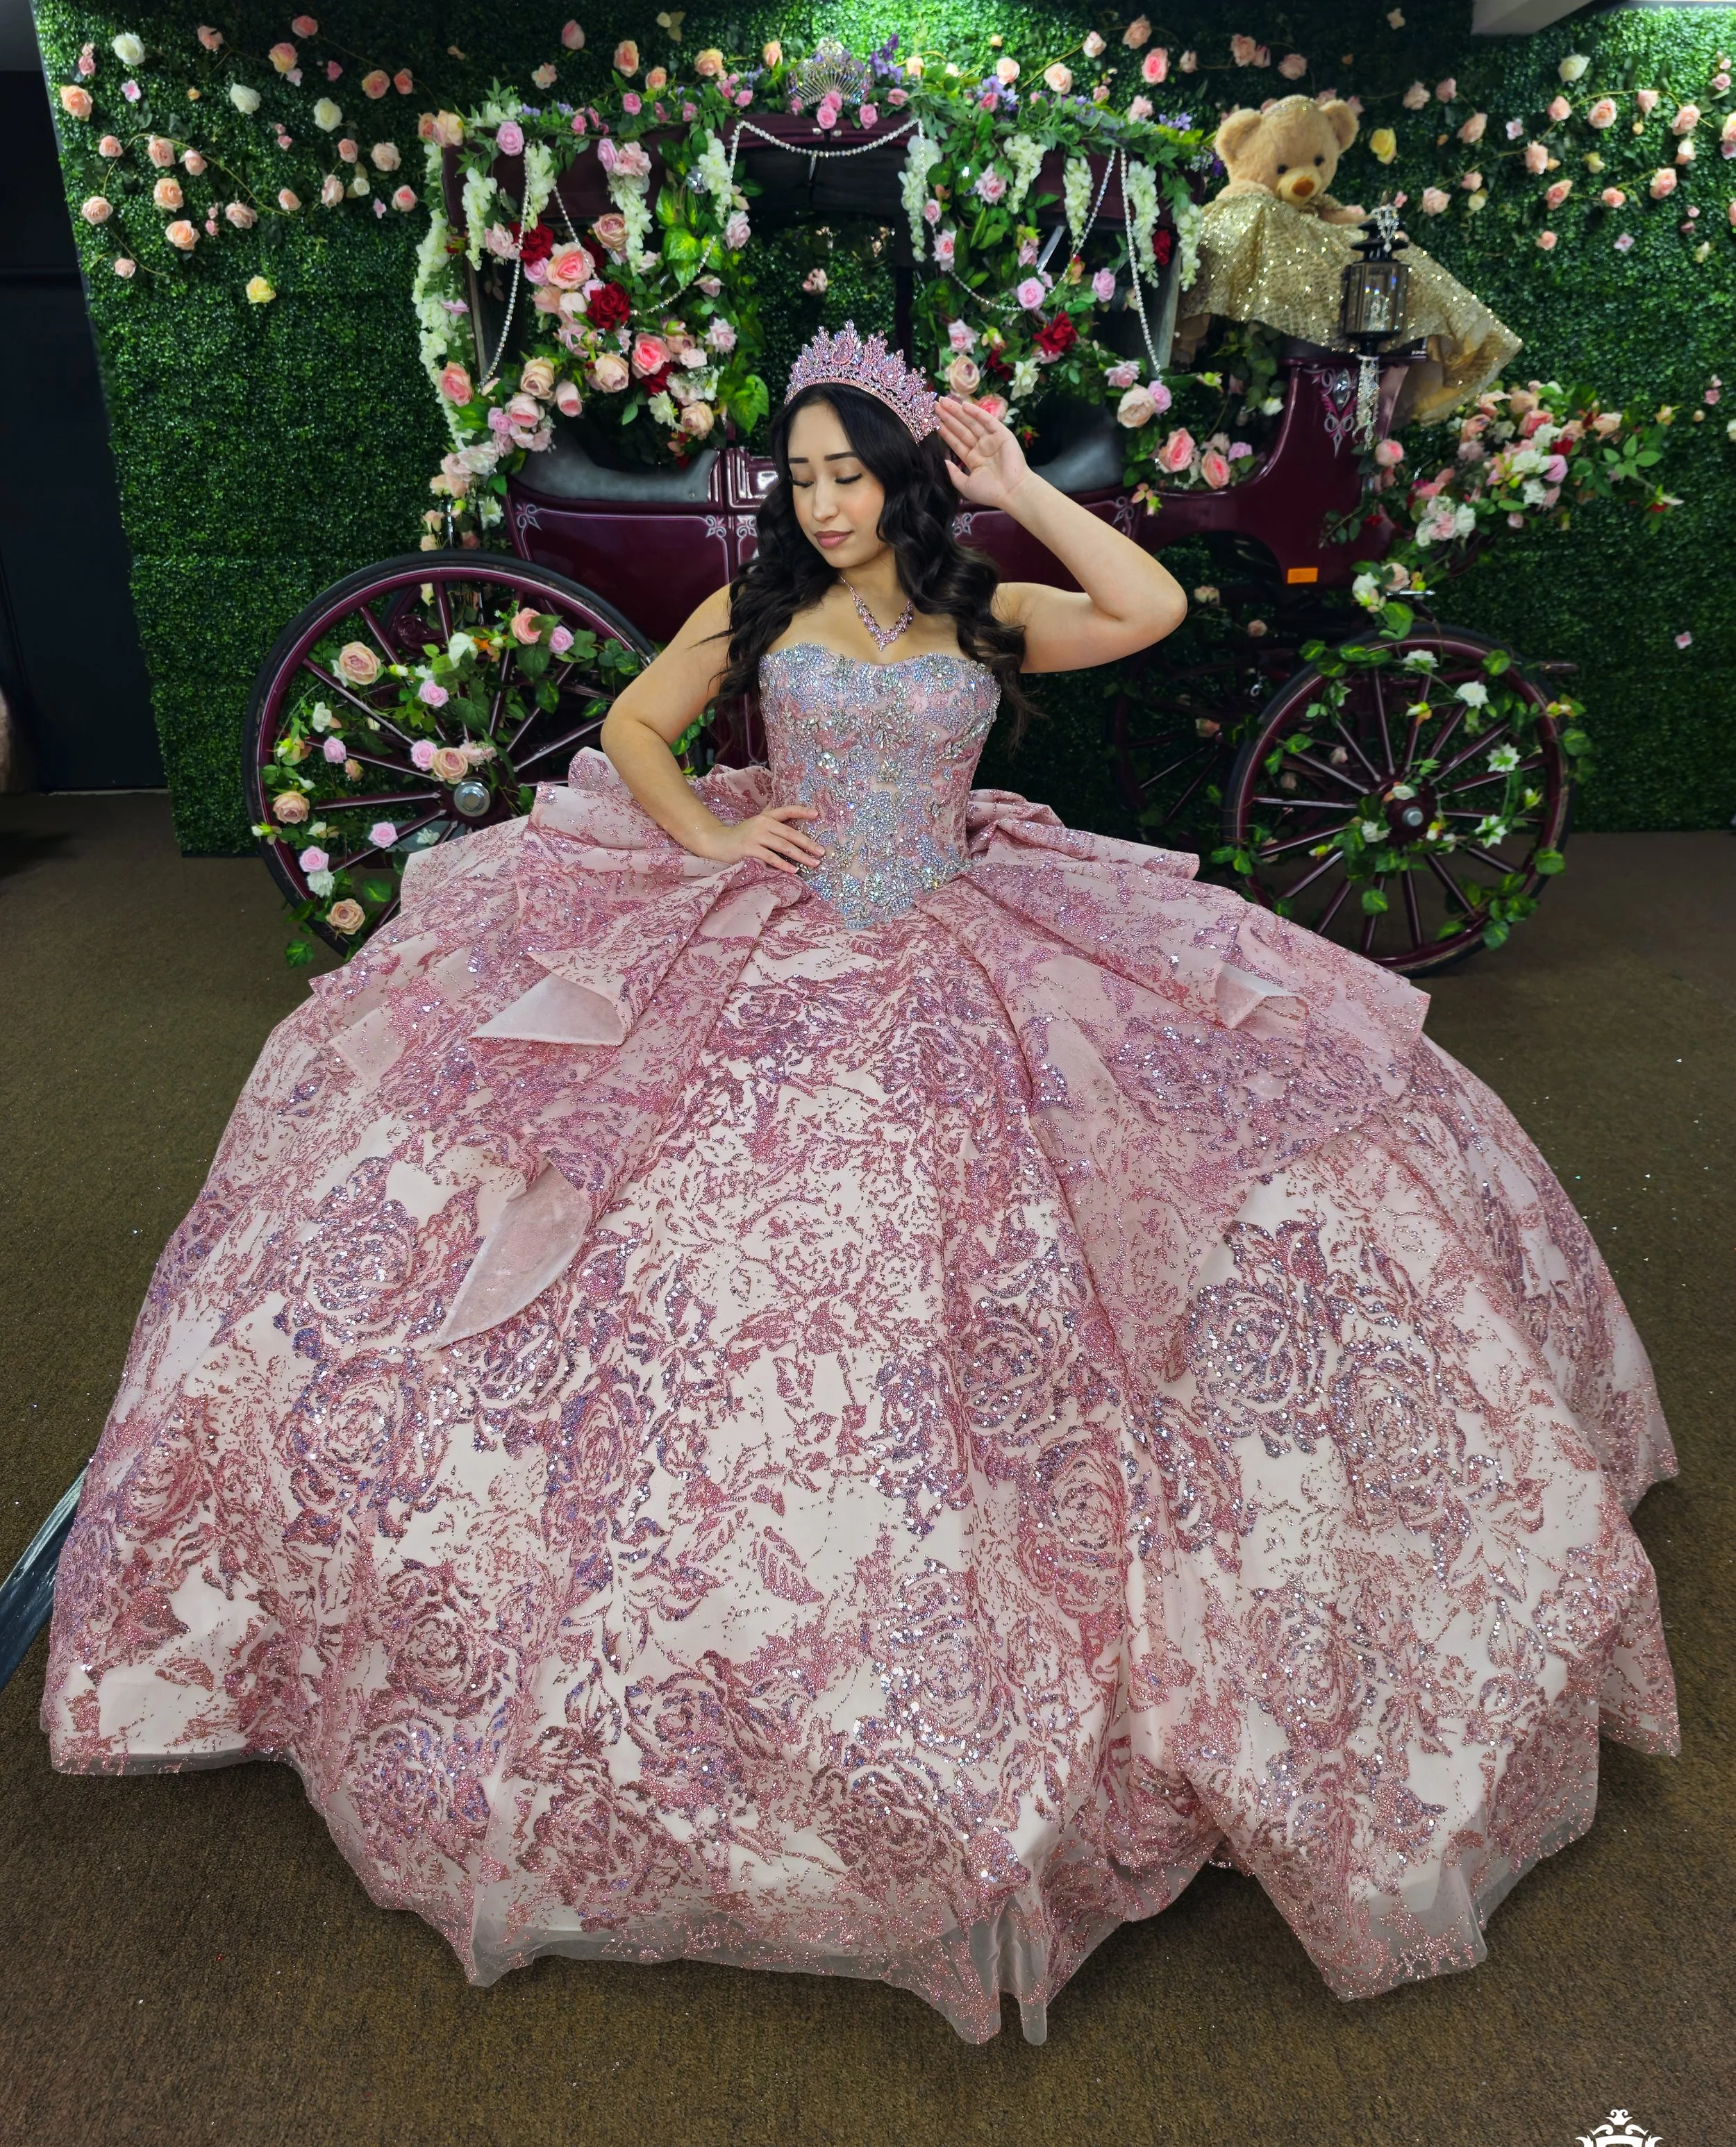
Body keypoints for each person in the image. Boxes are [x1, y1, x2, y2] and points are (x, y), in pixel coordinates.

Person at [42, 325, 1677, 2046]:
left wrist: (1023, 486)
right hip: (782, 942)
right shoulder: (755, 616)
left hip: (968, 942)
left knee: (1162, 1202)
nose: (823, 506)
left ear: (903, 478)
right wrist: (708, 837)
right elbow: (635, 723)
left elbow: (1150, 612)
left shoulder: (984, 605)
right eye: (803, 477)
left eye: (850, 474)